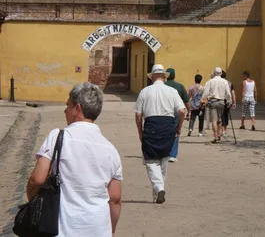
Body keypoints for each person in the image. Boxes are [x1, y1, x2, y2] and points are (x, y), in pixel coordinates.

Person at [26, 82, 123, 237]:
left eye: (68, 105)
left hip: (63, 228)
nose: (65, 110)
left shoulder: (57, 137)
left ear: (77, 108)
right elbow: (115, 198)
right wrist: (110, 230)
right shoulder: (111, 150)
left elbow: (36, 180)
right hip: (98, 229)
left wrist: (35, 205)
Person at [134, 64, 185, 204]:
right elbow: (181, 111)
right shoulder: (172, 91)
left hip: (151, 125)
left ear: (152, 77)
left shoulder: (145, 91)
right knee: (163, 159)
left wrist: (140, 132)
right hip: (168, 126)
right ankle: (157, 194)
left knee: (151, 161)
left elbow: (138, 115)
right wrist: (178, 127)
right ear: (164, 77)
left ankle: (159, 188)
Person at [165, 68, 191, 162]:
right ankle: (173, 154)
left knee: (164, 131)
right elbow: (187, 101)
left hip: (165, 112)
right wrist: (189, 112)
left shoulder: (163, 86)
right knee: (176, 132)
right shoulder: (180, 86)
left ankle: (165, 152)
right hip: (177, 111)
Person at [201, 67, 232, 144]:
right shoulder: (224, 82)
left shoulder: (210, 81)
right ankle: (219, 135)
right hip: (221, 102)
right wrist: (229, 101)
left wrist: (202, 100)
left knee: (214, 120)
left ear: (214, 73)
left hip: (213, 102)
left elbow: (206, 92)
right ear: (221, 73)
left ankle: (215, 136)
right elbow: (228, 93)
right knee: (219, 119)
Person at [220, 71, 236, 138]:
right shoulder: (229, 83)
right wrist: (234, 102)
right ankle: (225, 129)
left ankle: (222, 129)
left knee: (221, 115)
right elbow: (233, 93)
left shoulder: (219, 82)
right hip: (228, 101)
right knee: (226, 115)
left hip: (221, 100)